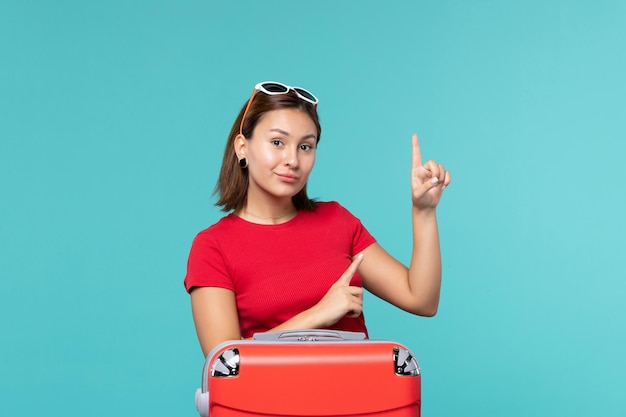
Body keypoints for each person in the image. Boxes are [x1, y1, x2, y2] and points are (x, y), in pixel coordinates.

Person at [184, 81, 451, 356]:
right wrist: (318, 315)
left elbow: (422, 300)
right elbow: (224, 363)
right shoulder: (213, 246)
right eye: (278, 142)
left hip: (358, 395)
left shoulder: (337, 221)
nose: (293, 160)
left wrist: (424, 212)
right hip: (270, 399)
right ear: (242, 147)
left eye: (305, 147)